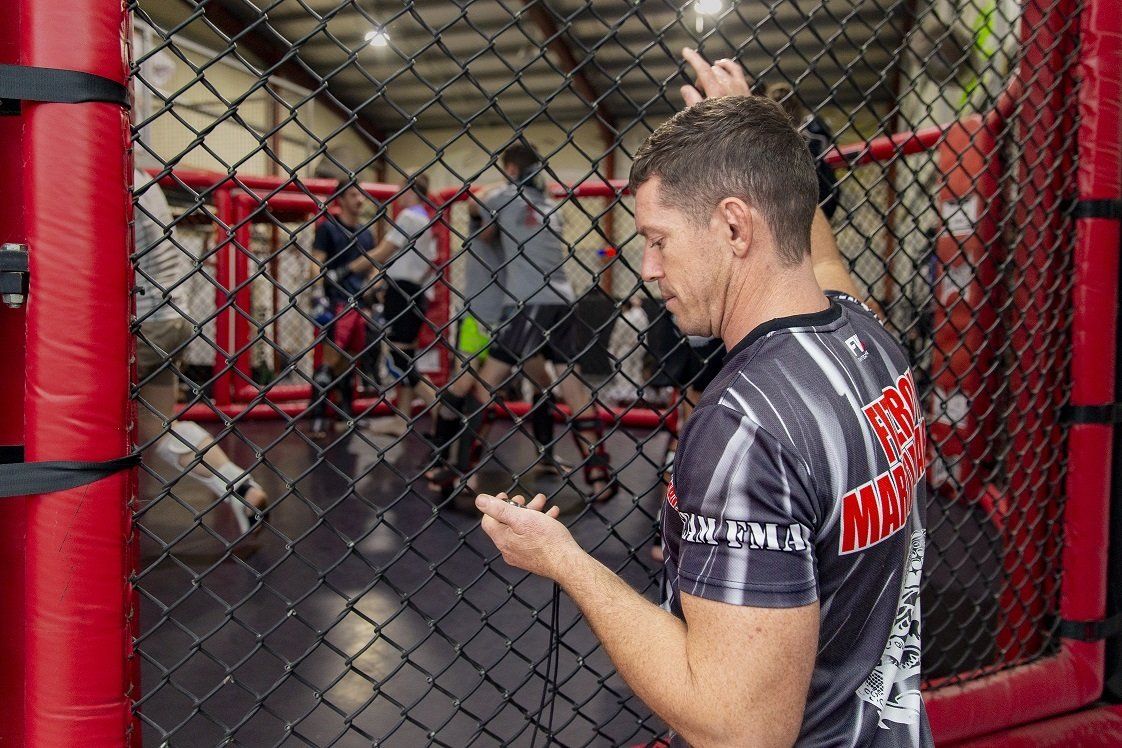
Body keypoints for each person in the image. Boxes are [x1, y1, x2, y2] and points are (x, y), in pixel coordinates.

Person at [475, 64, 931, 747]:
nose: (649, 267)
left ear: (734, 228)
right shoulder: (867, 334)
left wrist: (565, 561)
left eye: (658, 239)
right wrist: (753, 133)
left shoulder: (745, 425)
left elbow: (742, 731)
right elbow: (818, 254)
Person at [427, 142, 615, 503]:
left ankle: (459, 470)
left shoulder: (506, 196)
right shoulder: (550, 205)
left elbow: (474, 202)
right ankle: (599, 476)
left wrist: (495, 193)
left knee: (486, 384)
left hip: (526, 304)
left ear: (510, 169)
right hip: (562, 300)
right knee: (572, 387)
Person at [133, 169, 269, 534]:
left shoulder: (114, 173)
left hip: (143, 323)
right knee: (158, 429)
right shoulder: (142, 177)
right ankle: (238, 485)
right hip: (169, 316)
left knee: (84, 417)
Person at [362, 174, 438, 433]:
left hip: (402, 292)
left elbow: (384, 251)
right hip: (413, 292)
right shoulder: (425, 220)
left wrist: (347, 266)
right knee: (407, 356)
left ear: (410, 190)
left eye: (401, 189)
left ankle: (442, 413)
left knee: (399, 360)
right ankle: (402, 418)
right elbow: (425, 264)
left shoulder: (408, 217)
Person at [308, 183, 377, 438]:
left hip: (358, 302)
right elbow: (317, 260)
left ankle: (345, 414)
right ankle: (317, 417)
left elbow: (372, 268)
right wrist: (317, 294)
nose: (359, 199)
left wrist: (373, 292)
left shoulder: (366, 234)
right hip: (336, 300)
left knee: (349, 361)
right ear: (341, 199)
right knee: (330, 360)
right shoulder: (328, 228)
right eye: (353, 195)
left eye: (360, 194)